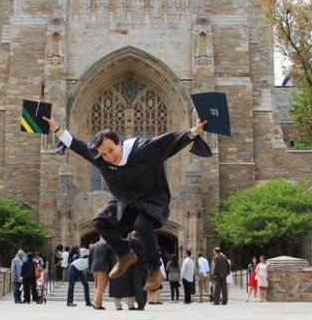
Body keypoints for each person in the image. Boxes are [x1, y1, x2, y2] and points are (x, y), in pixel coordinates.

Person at [44, 115, 210, 293]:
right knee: (100, 222)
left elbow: (169, 143)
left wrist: (194, 132)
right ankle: (125, 255)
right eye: (104, 154)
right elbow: (77, 144)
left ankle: (154, 269)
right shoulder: (100, 157)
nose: (108, 157)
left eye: (111, 150)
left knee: (141, 225)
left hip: (152, 198)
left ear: (120, 143)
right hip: (127, 200)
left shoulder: (142, 150)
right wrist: (56, 128)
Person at [88, 238, 116, 310]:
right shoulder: (108, 245)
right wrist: (113, 269)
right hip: (103, 268)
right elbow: (111, 258)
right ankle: (98, 304)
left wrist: (90, 269)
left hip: (94, 268)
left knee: (97, 286)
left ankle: (96, 302)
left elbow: (90, 258)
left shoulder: (94, 245)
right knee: (101, 287)